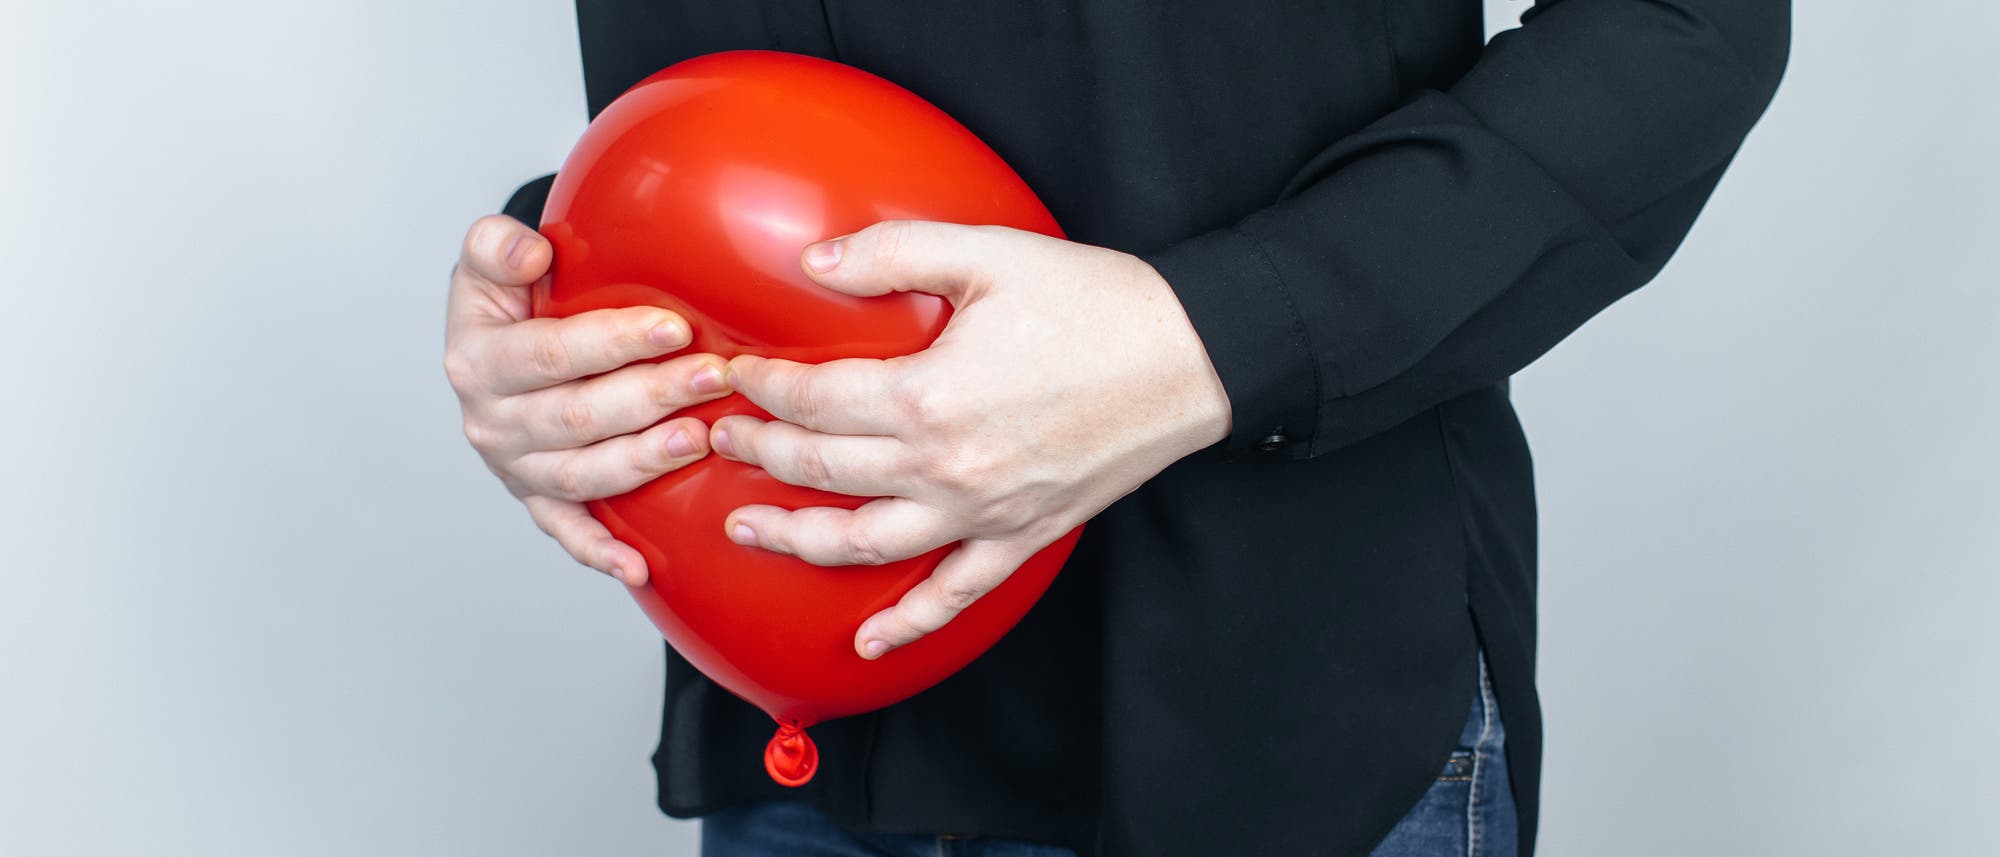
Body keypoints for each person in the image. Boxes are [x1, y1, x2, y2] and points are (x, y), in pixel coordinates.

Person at [442, 2, 1789, 854]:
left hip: (1287, 742)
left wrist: (1209, 336)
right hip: (793, 755)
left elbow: (1685, 22)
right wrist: (557, 304)